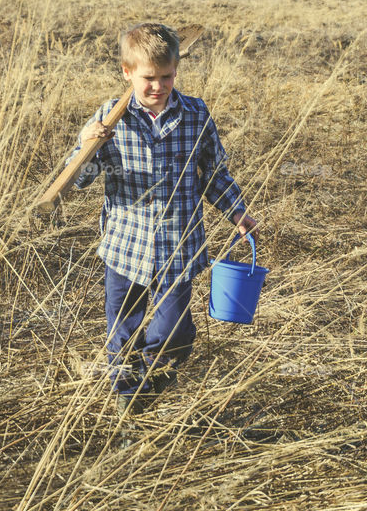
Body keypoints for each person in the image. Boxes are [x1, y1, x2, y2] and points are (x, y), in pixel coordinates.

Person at [63, 22, 257, 415]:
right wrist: (88, 144)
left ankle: (148, 384)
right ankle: (126, 398)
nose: (158, 86)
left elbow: (213, 172)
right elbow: (78, 180)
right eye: (149, 78)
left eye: (167, 77)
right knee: (123, 329)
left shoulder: (194, 113)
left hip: (178, 244)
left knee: (176, 333)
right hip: (125, 244)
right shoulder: (110, 119)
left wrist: (236, 209)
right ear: (127, 72)